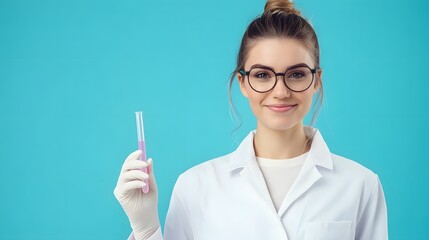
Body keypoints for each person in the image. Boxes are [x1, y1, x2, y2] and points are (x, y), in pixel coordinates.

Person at [114, 0, 388, 239]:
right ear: (242, 83)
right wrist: (146, 228)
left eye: (296, 74)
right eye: (262, 75)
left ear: (316, 80)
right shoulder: (195, 187)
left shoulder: (360, 185)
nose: (280, 92)